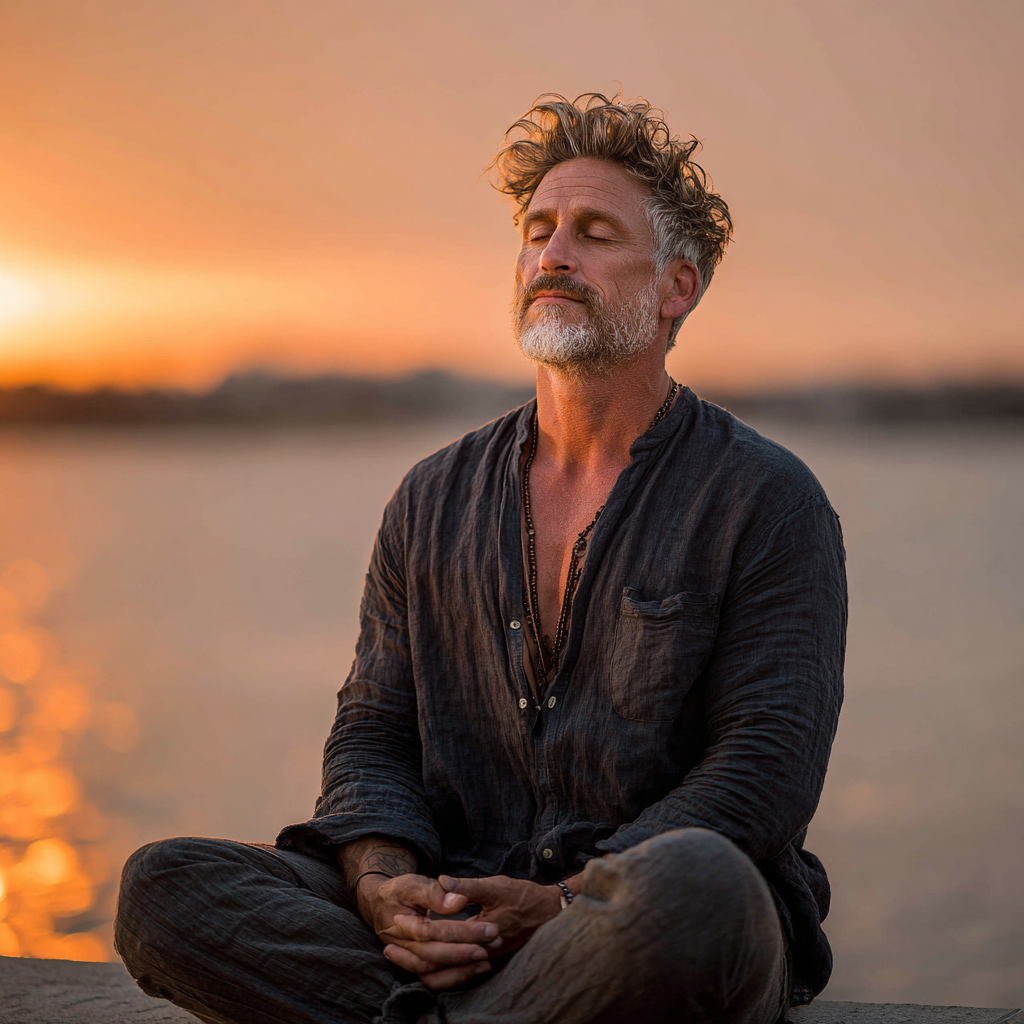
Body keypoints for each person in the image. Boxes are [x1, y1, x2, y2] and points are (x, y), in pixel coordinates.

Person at [114, 93, 847, 1024]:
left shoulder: (766, 499)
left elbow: (765, 768)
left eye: (592, 231)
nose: (553, 255)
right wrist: (386, 886)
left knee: (700, 887)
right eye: (537, 229)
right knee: (167, 887)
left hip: (635, 923)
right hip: (454, 906)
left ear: (677, 288)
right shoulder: (431, 498)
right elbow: (374, 732)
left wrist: (568, 903)